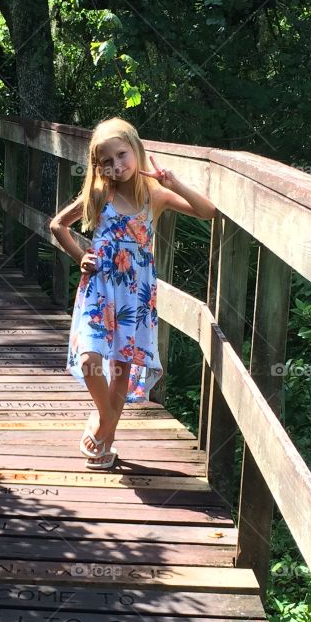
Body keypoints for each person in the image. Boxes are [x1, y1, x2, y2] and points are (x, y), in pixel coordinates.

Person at [48, 117, 217, 470]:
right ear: (98, 167)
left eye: (122, 155)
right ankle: (105, 420)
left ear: (137, 151)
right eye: (106, 162)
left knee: (121, 369)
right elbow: (57, 224)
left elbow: (208, 212)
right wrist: (80, 256)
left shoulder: (153, 196)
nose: (116, 166)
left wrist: (176, 183)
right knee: (89, 360)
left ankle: (105, 442)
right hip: (99, 288)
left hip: (135, 296)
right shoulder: (100, 194)